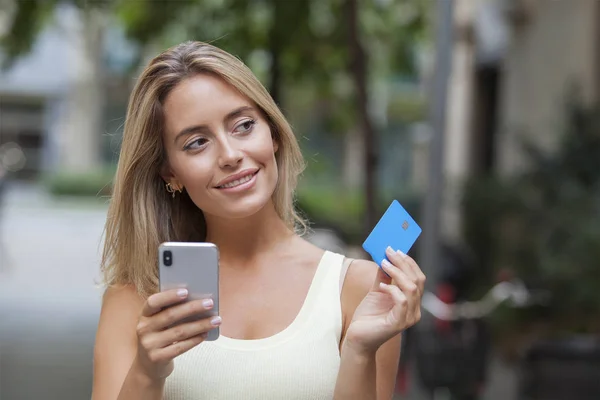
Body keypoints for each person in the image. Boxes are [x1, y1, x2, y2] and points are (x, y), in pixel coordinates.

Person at [92, 41, 425, 400]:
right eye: (197, 143)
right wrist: (147, 371)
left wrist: (359, 350)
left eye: (244, 125)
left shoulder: (359, 290)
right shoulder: (134, 300)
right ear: (169, 172)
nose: (231, 155)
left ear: (274, 133)